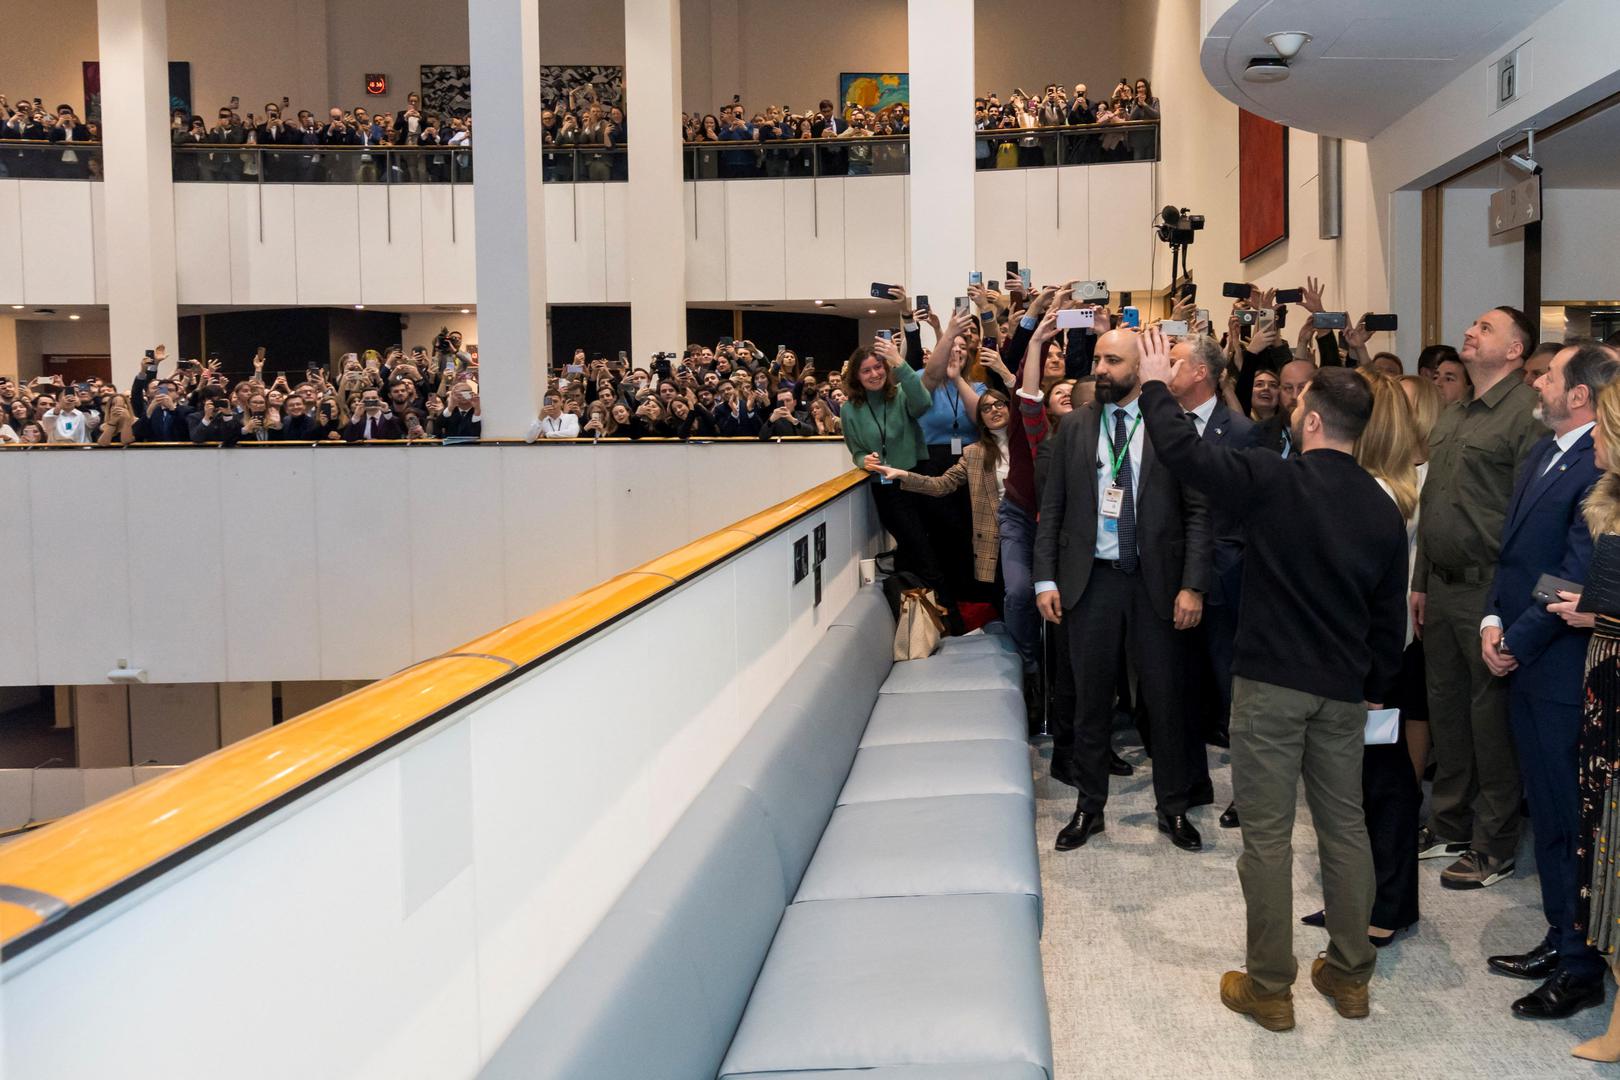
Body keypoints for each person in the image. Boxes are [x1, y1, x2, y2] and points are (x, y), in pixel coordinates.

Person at [1135, 327, 1408, 1033]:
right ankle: (1350, 978)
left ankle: (1269, 987)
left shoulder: (1273, 479)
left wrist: (1157, 383)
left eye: (1299, 402)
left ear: (1312, 418)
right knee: (1346, 831)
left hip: (1270, 688)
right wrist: (1374, 682)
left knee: (1268, 836)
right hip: (1345, 692)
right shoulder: (1384, 509)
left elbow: (1182, 452)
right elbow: (1387, 620)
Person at [1034, 327, 1212, 854]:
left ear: (1140, 367)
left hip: (1157, 585)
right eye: (1097, 360)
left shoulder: (1171, 426)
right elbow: (1054, 511)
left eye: (1113, 360)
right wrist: (1046, 577)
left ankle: (1173, 808)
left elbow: (1199, 513)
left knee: (1166, 701)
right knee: (1090, 702)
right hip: (1091, 584)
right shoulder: (1075, 427)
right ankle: (1090, 807)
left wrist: (1193, 586)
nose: (1101, 370)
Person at [1479, 342, 1617, 1020]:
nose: (1538, 382)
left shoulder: (1603, 463)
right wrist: (1490, 622)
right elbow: (1512, 558)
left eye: (1550, 376)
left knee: (1570, 821)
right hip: (1524, 653)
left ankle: (1582, 963)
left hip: (1564, 666)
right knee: (1550, 816)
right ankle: (1562, 935)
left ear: (1582, 396)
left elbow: (1575, 568)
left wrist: (1517, 641)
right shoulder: (1543, 450)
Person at [1412, 307, 1545, 890]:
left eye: (1486, 328)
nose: (1471, 331)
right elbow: (1433, 503)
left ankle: (1495, 844)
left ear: (1516, 350)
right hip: (1439, 585)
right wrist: (1419, 580)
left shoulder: (1526, 417)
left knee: (1490, 720)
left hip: (1488, 587)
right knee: (1447, 712)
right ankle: (1449, 823)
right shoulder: (1456, 411)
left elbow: (1528, 519)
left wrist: (1507, 601)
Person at [1298, 370, 1425, 948]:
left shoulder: (1388, 493)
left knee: (1383, 785)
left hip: (1378, 659)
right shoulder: (1371, 486)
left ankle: (1388, 905)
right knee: (1353, 785)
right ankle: (1362, 897)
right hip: (1358, 656)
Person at [1550, 381, 1620, 1061]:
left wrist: (1597, 616)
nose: (1589, 435)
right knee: (1602, 844)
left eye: (1602, 424)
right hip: (1601, 686)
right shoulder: (1603, 503)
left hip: (1614, 683)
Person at [1167, 334, 1261, 830]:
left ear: (1201, 372)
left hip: (1226, 580)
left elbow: (1250, 513)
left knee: (1233, 692)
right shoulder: (1161, 426)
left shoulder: (1241, 432)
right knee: (1181, 686)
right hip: (1170, 575)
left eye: (1176, 362)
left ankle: (1248, 792)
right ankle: (1191, 782)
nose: (1168, 369)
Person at [842, 326, 956, 629]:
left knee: (930, 546)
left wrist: (899, 363)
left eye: (878, 367)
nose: (874, 374)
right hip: (887, 489)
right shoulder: (849, 410)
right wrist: (861, 460)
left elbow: (924, 404)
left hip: (917, 478)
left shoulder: (902, 393)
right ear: (857, 376)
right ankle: (944, 622)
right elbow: (854, 451)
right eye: (866, 370)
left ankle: (930, 619)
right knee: (918, 549)